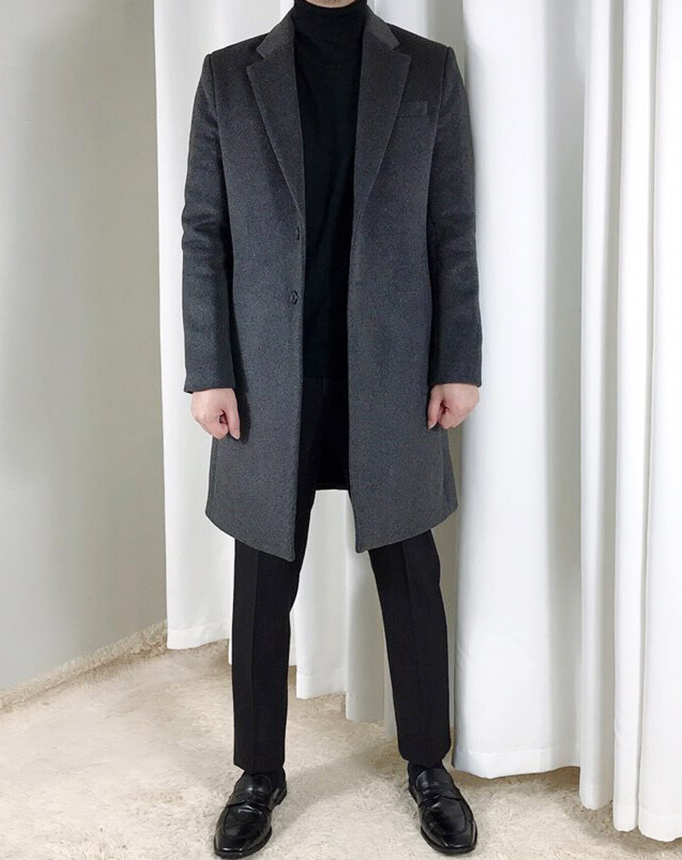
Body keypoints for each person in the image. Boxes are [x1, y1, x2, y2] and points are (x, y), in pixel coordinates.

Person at [181, 0, 482, 855]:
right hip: (268, 376)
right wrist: (209, 369)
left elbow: (452, 230)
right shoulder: (228, 78)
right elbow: (205, 234)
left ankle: (428, 765)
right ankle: (259, 774)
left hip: (392, 370)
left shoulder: (428, 71)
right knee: (261, 581)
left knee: (411, 574)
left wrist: (457, 359)